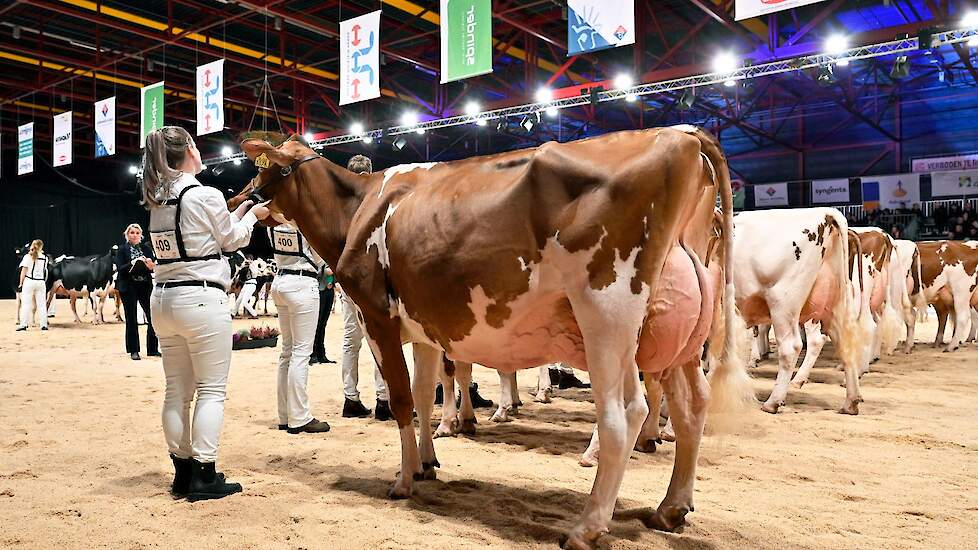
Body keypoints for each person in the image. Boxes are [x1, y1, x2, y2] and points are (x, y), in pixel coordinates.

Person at [143, 126, 269, 501]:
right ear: (188, 153)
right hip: (200, 299)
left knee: (176, 391)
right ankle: (205, 475)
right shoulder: (204, 193)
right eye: (195, 147)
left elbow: (207, 231)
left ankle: (182, 473)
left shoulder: (157, 196)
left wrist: (241, 208)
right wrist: (255, 214)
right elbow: (231, 240)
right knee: (211, 390)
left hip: (163, 299)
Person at [340, 155, 392, 421]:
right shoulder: (375, 201)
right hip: (371, 280)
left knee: (351, 342)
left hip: (347, 281)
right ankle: (383, 400)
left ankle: (350, 399)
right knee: (379, 339)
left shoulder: (339, 206)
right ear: (371, 172)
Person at [268, 222, 331, 434]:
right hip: (302, 283)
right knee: (301, 353)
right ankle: (300, 417)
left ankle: (285, 415)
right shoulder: (300, 221)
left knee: (286, 352)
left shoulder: (273, 222)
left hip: (280, 280)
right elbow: (321, 257)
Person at [116, 223, 159, 360]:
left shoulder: (146, 249)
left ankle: (152, 348)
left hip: (144, 285)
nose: (134, 235)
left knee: (152, 317)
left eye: (137, 233)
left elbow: (152, 266)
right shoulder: (122, 250)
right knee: (132, 318)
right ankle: (134, 350)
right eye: (132, 233)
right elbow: (120, 268)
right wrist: (134, 262)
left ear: (141, 235)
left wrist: (150, 265)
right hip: (128, 286)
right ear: (127, 235)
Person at [17, 239, 49, 331]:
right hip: (40, 282)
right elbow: (45, 271)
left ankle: (23, 324)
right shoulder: (45, 258)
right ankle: (43, 324)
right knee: (42, 304)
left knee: (26, 303)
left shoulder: (27, 257)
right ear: (41, 247)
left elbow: (23, 271)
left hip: (29, 281)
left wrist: (20, 283)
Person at [310, 265, 336, 365]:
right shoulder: (317, 256)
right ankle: (312, 354)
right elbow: (313, 272)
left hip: (329, 291)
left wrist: (332, 280)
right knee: (316, 323)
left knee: (323, 324)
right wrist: (325, 272)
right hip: (318, 290)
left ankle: (321, 354)